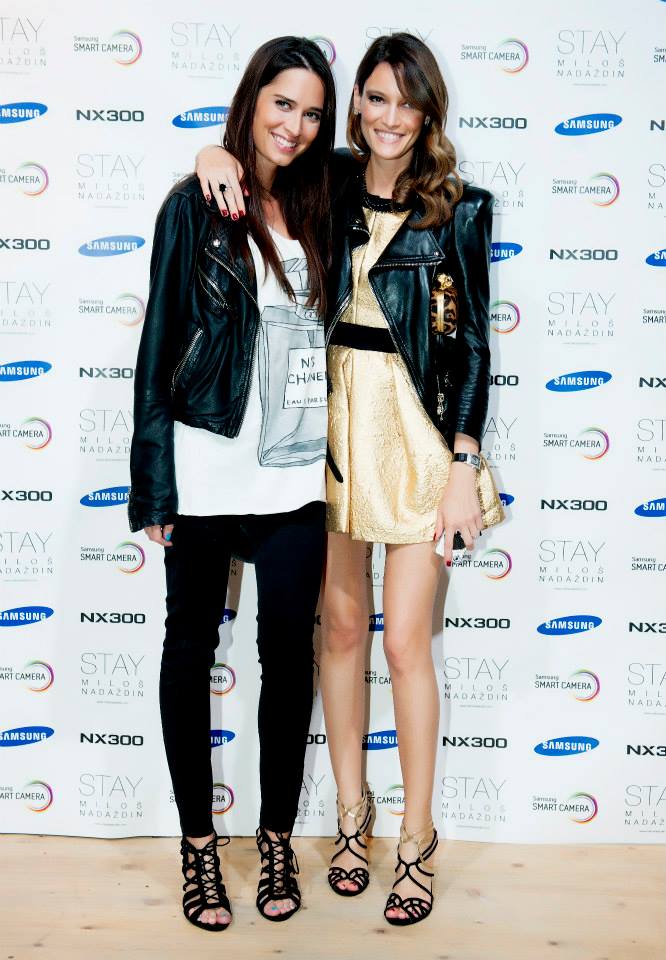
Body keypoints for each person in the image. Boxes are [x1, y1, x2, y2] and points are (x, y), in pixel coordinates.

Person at [196, 32, 503, 927]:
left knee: (404, 643)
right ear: (356, 106)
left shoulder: (461, 210)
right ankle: (352, 819)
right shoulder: (323, 185)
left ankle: (418, 839)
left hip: (417, 437)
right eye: (374, 97)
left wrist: (463, 461)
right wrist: (211, 152)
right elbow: (251, 166)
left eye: (407, 101)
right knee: (336, 632)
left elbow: (473, 345)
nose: (389, 117)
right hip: (328, 428)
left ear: (428, 112)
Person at [128, 35, 336, 930]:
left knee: (287, 660)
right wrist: (154, 485)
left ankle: (276, 837)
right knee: (189, 650)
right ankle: (198, 849)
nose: (296, 125)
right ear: (253, 99)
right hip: (206, 468)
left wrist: (216, 146)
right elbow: (158, 347)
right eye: (282, 103)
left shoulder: (325, 205)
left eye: (313, 112)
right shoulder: (194, 205)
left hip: (294, 479)